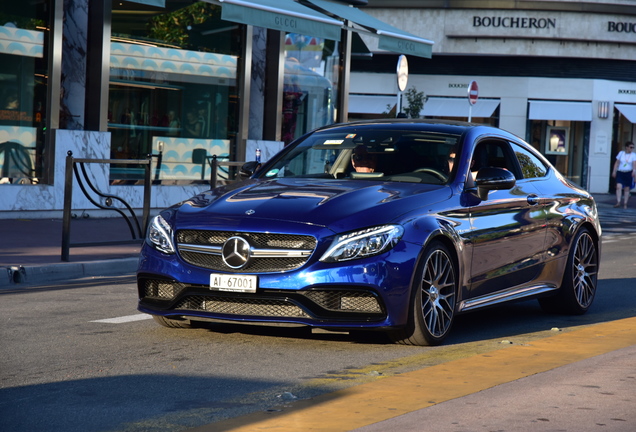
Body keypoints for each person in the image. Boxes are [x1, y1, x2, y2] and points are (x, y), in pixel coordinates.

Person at [612, 141, 636, 209]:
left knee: (627, 188)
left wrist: (634, 171)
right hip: (620, 171)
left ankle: (625, 203)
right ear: (626, 147)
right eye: (631, 147)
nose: (632, 149)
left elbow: (634, 164)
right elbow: (617, 163)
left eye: (633, 147)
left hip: (628, 172)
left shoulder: (633, 155)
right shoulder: (621, 153)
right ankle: (618, 202)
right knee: (618, 186)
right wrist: (614, 171)